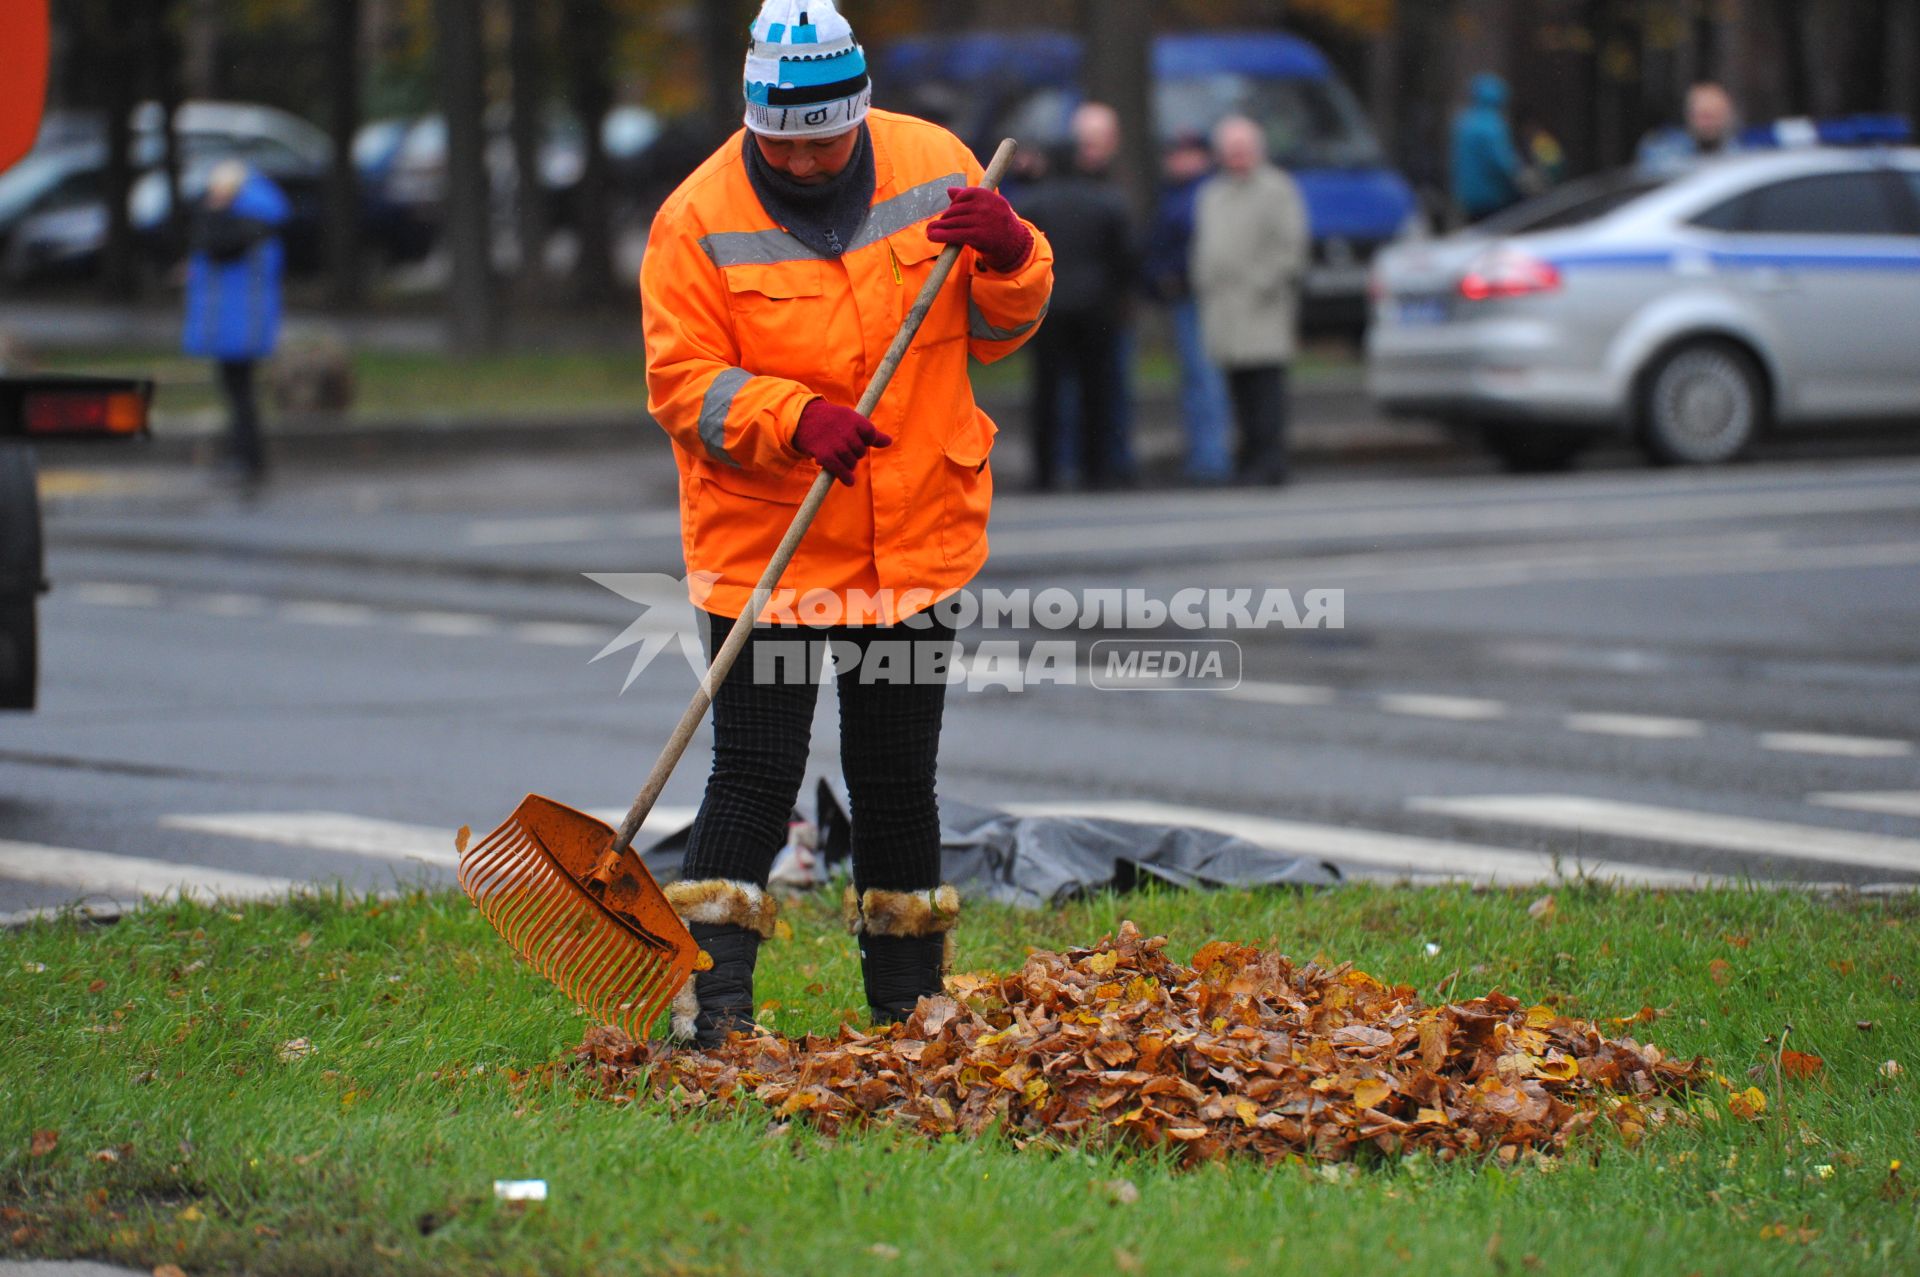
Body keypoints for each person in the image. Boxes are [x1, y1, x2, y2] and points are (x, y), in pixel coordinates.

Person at [639, 0, 1053, 1046]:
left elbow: (996, 331)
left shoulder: (933, 161)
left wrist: (1013, 255)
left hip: (913, 541)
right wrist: (793, 417)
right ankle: (714, 1010)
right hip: (769, 551)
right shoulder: (696, 218)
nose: (813, 158)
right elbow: (681, 382)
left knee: (896, 775)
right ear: (755, 121)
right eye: (790, 141)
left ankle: (910, 1004)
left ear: (860, 110)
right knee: (755, 769)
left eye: (829, 137)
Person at [1017, 101, 1137, 491]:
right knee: (1097, 393)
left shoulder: (1033, 203)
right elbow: (1127, 254)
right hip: (1096, 308)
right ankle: (1097, 470)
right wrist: (1120, 294)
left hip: (1048, 308)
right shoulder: (1106, 201)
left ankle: (1047, 471)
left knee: (1046, 393)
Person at [1191, 115, 1308, 488]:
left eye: (1242, 149)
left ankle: (1269, 461)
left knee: (1266, 393)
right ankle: (1248, 460)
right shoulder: (1212, 193)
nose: (1236, 156)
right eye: (1230, 150)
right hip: (1224, 310)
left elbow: (1290, 248)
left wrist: (1259, 283)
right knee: (1237, 392)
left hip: (1261, 309)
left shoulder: (1278, 189)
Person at [181, 160, 288, 485]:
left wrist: (212, 212)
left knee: (240, 394)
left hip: (239, 324)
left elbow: (215, 246)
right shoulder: (254, 222)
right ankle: (244, 457)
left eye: (216, 190)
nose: (210, 197)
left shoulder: (243, 223)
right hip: (240, 323)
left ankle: (246, 460)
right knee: (240, 394)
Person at [1145, 132, 1232, 485]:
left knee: (1204, 378)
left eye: (1185, 154)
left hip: (1197, 293)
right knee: (1197, 379)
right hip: (1182, 293)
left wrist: (1169, 273)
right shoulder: (1179, 193)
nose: (1176, 161)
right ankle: (1204, 456)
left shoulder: (1202, 194)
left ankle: (1210, 459)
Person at [1450, 73, 1523, 224]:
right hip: (1492, 195)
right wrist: (1520, 176)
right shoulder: (1493, 125)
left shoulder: (1465, 121)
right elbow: (1501, 162)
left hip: (1468, 196)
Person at [1638, 82, 1744, 176]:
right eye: (1703, 116)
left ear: (1727, 117)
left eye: (1715, 116)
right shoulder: (1661, 151)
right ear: (1689, 116)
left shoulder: (1740, 156)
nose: (1709, 124)